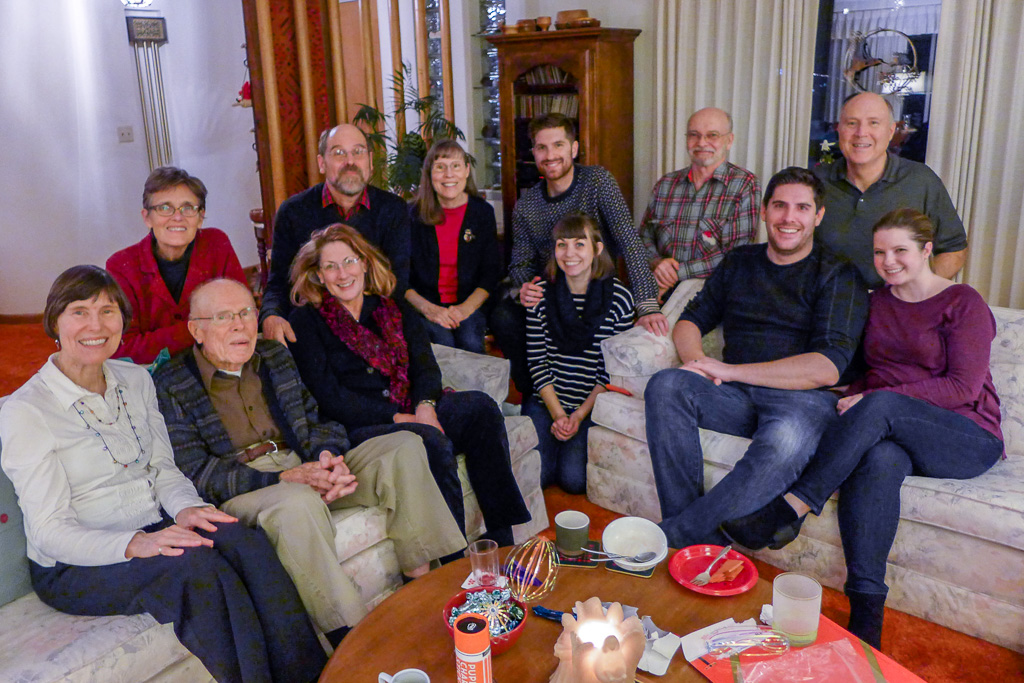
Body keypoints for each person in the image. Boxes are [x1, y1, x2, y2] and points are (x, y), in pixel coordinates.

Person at [0, 266, 325, 683]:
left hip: (157, 523)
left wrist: (188, 508)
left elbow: (163, 469)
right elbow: (48, 532)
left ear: (122, 321)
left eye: (108, 311)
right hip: (76, 563)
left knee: (244, 540)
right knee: (195, 568)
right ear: (54, 323)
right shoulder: (25, 410)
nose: (96, 325)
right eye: (79, 311)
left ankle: (314, 675)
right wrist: (137, 543)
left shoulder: (136, 380)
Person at [723, 209, 1003, 648]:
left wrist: (873, 401)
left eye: (900, 251)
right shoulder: (877, 302)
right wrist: (820, 385)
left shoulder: (961, 302)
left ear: (928, 250)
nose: (888, 261)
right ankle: (867, 612)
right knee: (879, 458)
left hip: (966, 435)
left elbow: (962, 387)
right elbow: (866, 371)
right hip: (894, 431)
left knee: (883, 404)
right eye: (879, 252)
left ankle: (791, 508)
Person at [153, 278, 466, 645]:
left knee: (404, 447)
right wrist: (287, 478)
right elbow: (197, 471)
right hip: (249, 484)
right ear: (197, 330)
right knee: (297, 502)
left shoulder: (273, 356)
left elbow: (315, 419)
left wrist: (327, 459)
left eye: (246, 313)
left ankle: (425, 589)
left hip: (302, 461)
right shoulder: (171, 382)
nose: (240, 325)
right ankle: (354, 639)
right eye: (224, 317)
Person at [644, 167, 869, 548]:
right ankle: (691, 535)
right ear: (764, 211)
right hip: (733, 397)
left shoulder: (838, 274)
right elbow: (689, 321)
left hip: (801, 400)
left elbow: (825, 366)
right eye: (780, 205)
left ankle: (678, 539)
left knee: (785, 440)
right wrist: (698, 363)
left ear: (818, 216)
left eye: (802, 207)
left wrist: (727, 369)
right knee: (666, 385)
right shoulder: (739, 262)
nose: (788, 217)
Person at [287, 224, 532, 547]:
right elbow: (330, 396)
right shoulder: (306, 321)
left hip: (413, 405)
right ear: (318, 275)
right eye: (330, 266)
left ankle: (502, 538)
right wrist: (401, 418)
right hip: (365, 425)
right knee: (431, 442)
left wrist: (425, 406)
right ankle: (453, 554)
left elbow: (426, 366)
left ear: (363, 262)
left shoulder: (393, 306)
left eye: (348, 261)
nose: (342, 273)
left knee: (481, 408)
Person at [491, 113, 669, 396]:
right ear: (534, 153)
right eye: (542, 147)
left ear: (573, 149)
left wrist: (646, 303)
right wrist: (521, 289)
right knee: (503, 315)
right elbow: (520, 263)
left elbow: (628, 238)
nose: (550, 155)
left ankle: (591, 396)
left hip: (598, 285)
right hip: (551, 288)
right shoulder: (527, 204)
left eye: (558, 145)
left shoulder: (598, 182)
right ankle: (533, 395)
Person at [261, 123, 411, 347]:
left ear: (370, 161)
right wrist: (270, 315)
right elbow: (279, 283)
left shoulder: (393, 209)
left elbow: (396, 284)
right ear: (322, 163)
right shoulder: (293, 212)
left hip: (374, 324)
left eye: (358, 152)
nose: (350, 162)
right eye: (339, 153)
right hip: (313, 329)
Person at [523, 214, 634, 494]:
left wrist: (578, 416)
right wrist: (559, 414)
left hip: (590, 404)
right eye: (562, 245)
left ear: (597, 249)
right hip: (548, 400)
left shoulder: (619, 299)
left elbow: (609, 373)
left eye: (579, 244)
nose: (569, 254)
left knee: (573, 481)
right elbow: (537, 362)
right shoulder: (539, 294)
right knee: (538, 476)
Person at [815, 92, 968, 287]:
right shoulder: (816, 183)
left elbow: (954, 250)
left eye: (874, 123)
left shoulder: (921, 181)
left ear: (890, 131)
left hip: (899, 309)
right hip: (830, 308)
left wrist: (917, 290)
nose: (861, 133)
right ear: (839, 129)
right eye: (852, 123)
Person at [107, 166, 246, 364]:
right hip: (153, 376)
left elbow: (241, 318)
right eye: (165, 208)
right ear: (147, 217)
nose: (178, 217)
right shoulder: (121, 266)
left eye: (188, 208)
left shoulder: (216, 244)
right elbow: (122, 347)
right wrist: (200, 328)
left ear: (200, 217)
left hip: (217, 363)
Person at [639, 107, 761, 297]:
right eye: (694, 135)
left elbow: (736, 253)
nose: (701, 143)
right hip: (658, 290)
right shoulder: (665, 185)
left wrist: (675, 273)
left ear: (729, 141)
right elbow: (644, 237)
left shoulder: (744, 185)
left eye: (712, 135)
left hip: (713, 295)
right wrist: (657, 263)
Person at [406, 139, 502, 353]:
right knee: (443, 344)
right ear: (429, 174)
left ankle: (474, 389)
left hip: (469, 303)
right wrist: (429, 309)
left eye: (455, 166)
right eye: (440, 167)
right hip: (425, 305)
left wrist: (464, 310)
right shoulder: (412, 215)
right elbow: (400, 276)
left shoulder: (482, 213)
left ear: (467, 171)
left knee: (470, 342)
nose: (449, 174)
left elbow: (491, 272)